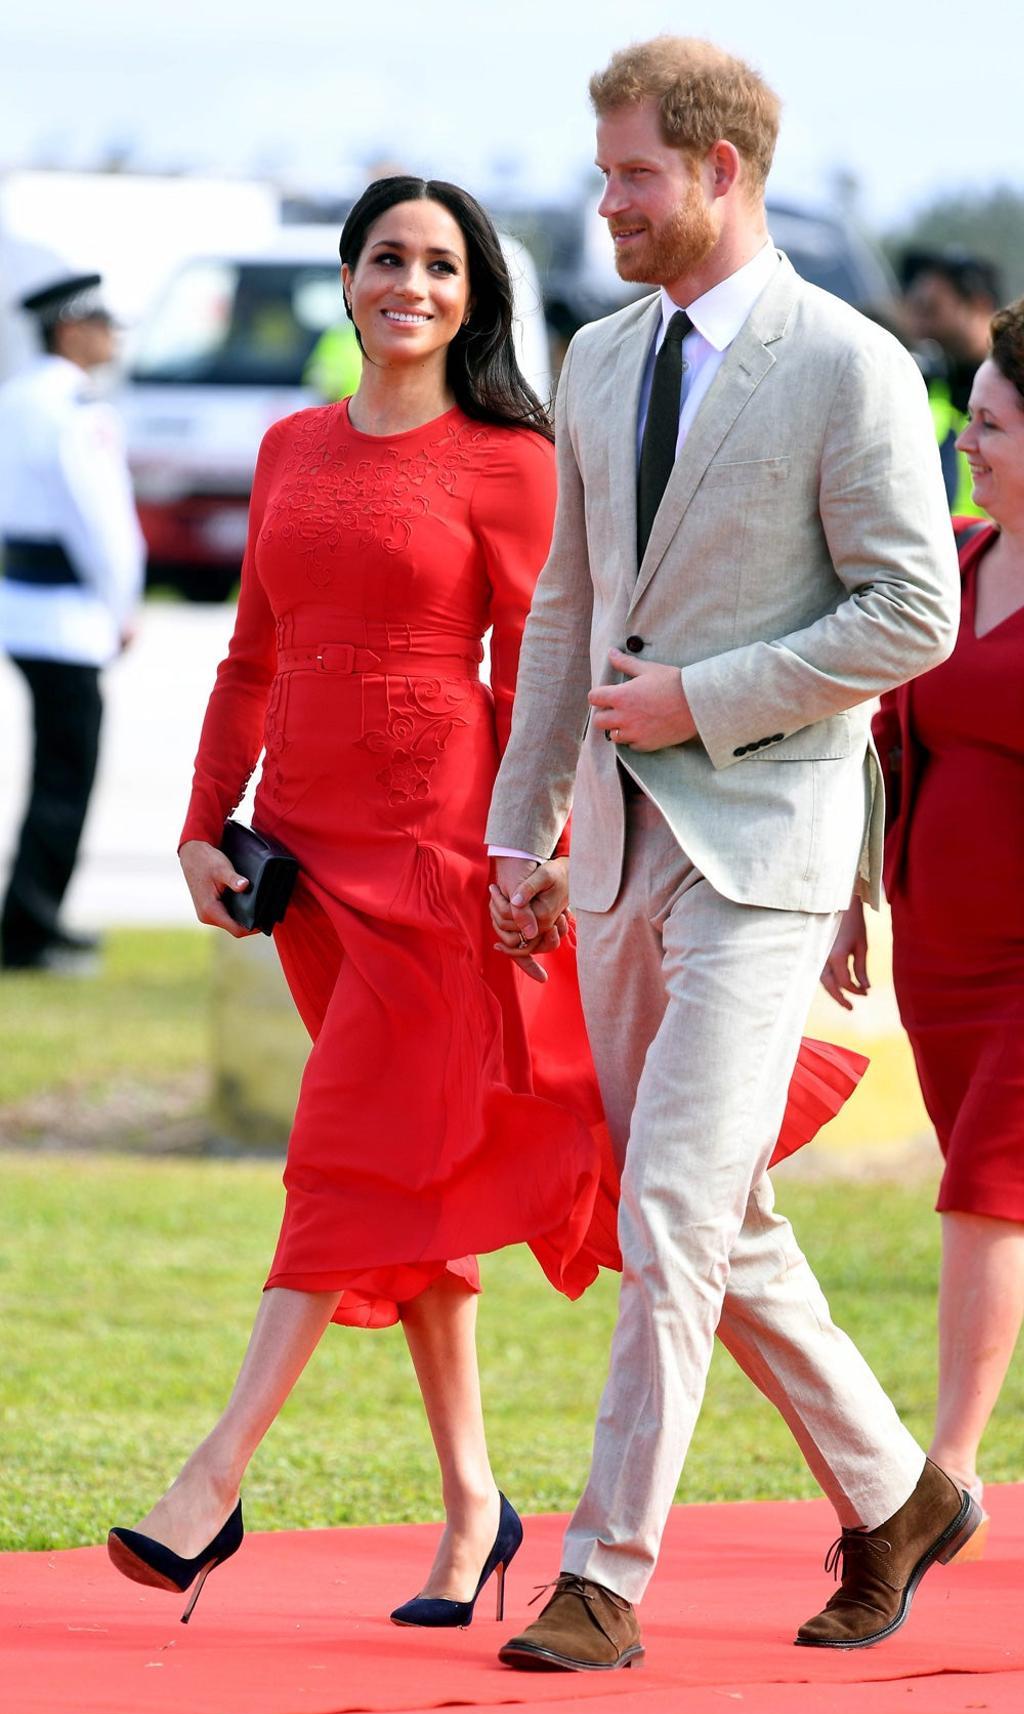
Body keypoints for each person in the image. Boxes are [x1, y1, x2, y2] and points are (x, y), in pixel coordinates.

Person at [105, 174, 864, 1632]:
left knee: (345, 1154)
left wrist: (549, 849)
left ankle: (213, 1476)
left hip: (449, 862)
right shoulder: (284, 447)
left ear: (475, 294)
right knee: (410, 1178)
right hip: (314, 876)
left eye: (441, 265)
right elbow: (248, 658)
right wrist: (206, 827)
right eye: (387, 257)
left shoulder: (510, 460)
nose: (412, 284)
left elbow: (550, 672)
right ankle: (473, 1507)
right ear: (346, 277)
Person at [486, 36, 978, 1672]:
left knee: (675, 1207)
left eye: (631, 172)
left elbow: (909, 609)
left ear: (719, 170)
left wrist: (697, 700)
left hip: (765, 848)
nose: (604, 201)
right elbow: (565, 606)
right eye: (602, 171)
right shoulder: (597, 353)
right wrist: (518, 823)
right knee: (709, 1215)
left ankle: (602, 1577)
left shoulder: (843, 364)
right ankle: (897, 1493)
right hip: (618, 859)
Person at [823, 296, 1024, 1562]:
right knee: (994, 1188)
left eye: (992, 422)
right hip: (940, 954)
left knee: (983, 1193)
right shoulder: (948, 556)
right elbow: (876, 737)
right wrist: (850, 883)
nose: (965, 440)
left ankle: (942, 1473)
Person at [0, 273, 144, 972]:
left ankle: (30, 916)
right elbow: (103, 528)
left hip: (20, 606)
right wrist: (123, 607)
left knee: (54, 772)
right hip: (68, 618)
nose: (114, 336)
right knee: (66, 775)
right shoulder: (78, 410)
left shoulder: (16, 399)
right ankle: (30, 927)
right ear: (69, 328)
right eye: (104, 322)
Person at [902, 249, 1002, 517]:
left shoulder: (1014, 389)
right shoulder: (930, 384)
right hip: (958, 551)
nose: (919, 323)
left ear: (979, 305)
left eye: (931, 309)